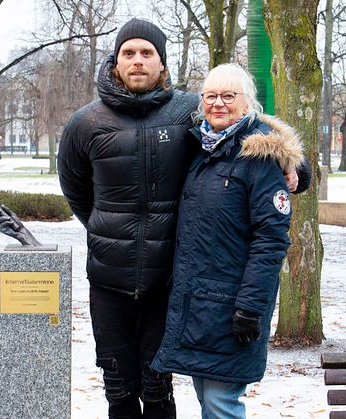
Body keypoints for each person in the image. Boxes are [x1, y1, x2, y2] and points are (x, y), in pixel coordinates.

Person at [58, 18, 309, 419]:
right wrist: (110, 231)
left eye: (147, 53)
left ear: (162, 63)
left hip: (170, 281)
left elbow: (248, 129)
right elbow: (76, 190)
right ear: (115, 61)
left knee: (158, 387)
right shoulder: (86, 122)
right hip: (108, 278)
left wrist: (300, 168)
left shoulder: (189, 111)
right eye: (129, 53)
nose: (137, 61)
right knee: (117, 386)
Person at [151, 63, 303, 419]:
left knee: (220, 405)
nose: (218, 104)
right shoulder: (201, 148)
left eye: (228, 96)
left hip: (235, 307)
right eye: (211, 96)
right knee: (208, 399)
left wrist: (250, 307)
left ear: (247, 103)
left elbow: (271, 240)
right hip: (199, 305)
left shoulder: (260, 157)